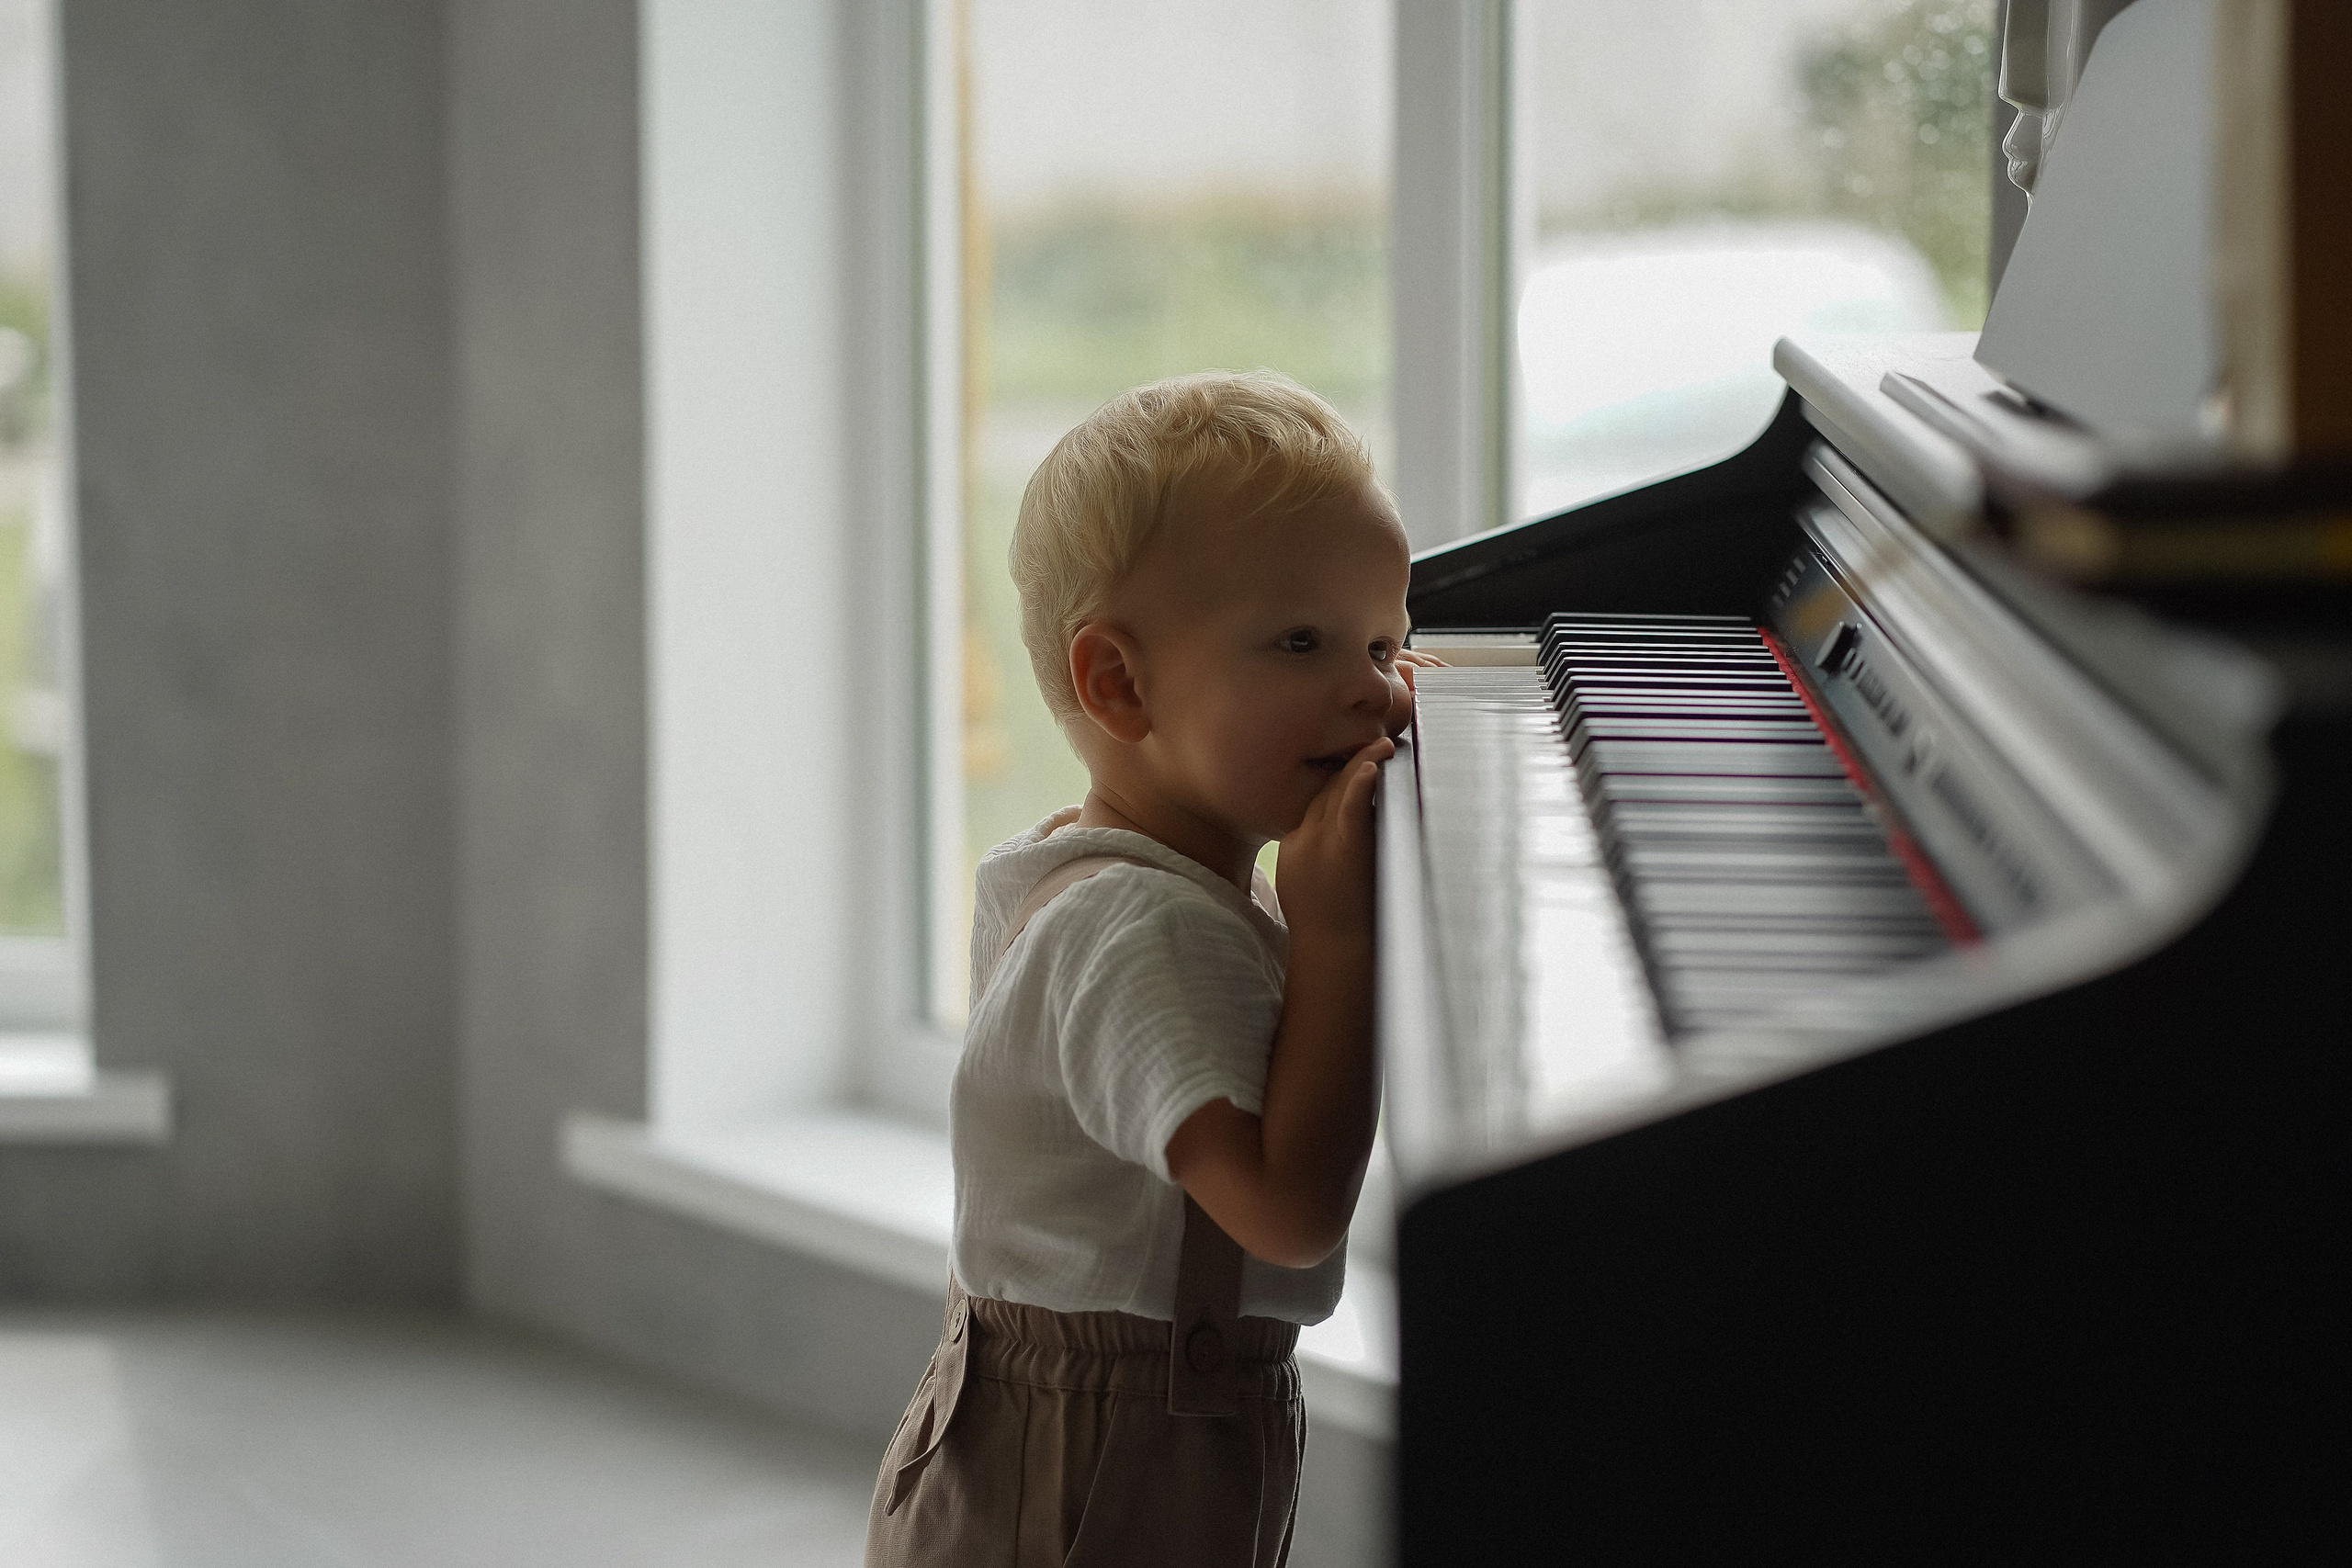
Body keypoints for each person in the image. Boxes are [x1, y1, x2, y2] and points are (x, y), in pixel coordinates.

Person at [864, 370, 1434, 1568]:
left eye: (1388, 641)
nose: (1376, 690)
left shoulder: (1134, 877)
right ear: (1119, 683)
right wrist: (1338, 938)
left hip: (1123, 1418)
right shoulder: (1137, 932)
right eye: (1302, 641)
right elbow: (1283, 1216)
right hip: (1088, 1460)